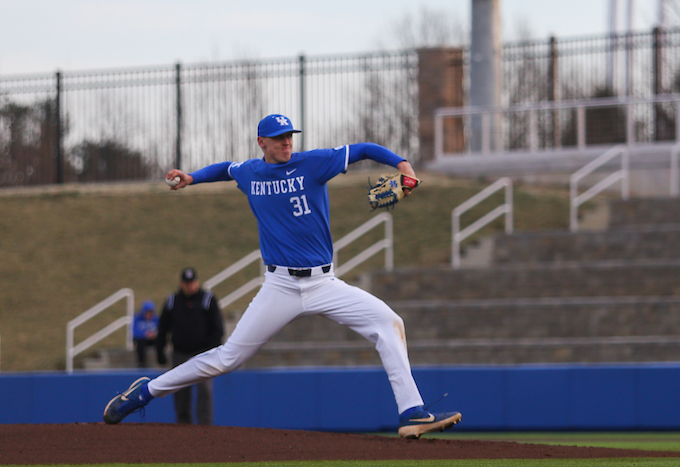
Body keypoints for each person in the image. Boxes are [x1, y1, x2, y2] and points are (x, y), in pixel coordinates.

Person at [103, 114, 462, 438]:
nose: (287, 142)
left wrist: (403, 164)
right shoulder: (251, 173)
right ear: (262, 142)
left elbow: (364, 149)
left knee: (388, 322)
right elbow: (227, 169)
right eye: (278, 138)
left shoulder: (314, 164)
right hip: (280, 286)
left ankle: (412, 412)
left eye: (290, 136)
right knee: (229, 358)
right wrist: (192, 177)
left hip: (324, 283)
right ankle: (146, 392)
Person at [155, 267, 224, 425]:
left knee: (204, 392)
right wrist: (160, 350)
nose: (189, 286)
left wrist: (214, 351)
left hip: (203, 354)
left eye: (192, 282)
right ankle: (183, 428)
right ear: (181, 284)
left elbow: (217, 327)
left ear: (197, 282)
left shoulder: (207, 299)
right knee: (180, 393)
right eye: (186, 283)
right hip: (180, 353)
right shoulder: (172, 301)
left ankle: (205, 428)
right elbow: (162, 327)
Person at [131, 300, 159, 367]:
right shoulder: (137, 319)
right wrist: (145, 335)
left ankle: (161, 361)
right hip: (142, 339)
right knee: (140, 344)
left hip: (153, 339)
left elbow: (161, 330)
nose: (149, 314)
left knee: (160, 342)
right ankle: (141, 363)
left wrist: (154, 334)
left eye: (151, 312)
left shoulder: (156, 319)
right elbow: (134, 332)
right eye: (148, 312)